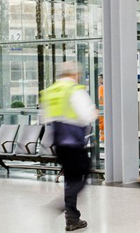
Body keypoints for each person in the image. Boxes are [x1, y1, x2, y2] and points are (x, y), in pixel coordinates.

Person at [40, 61, 98, 232]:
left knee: (70, 179)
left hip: (58, 143)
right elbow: (86, 114)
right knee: (84, 174)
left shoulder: (49, 91)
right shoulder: (74, 90)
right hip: (74, 142)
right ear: (75, 74)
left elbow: (43, 118)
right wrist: (92, 113)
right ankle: (60, 206)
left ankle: (72, 219)